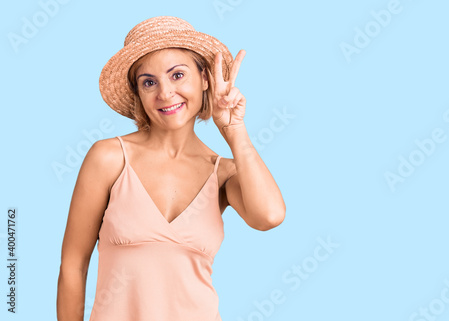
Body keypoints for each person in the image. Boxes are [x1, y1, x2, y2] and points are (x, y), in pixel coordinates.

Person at [56, 16, 286, 320]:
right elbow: (73, 265)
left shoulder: (224, 173)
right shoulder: (109, 157)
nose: (164, 93)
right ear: (138, 92)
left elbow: (269, 216)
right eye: (149, 82)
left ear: (204, 79)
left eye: (177, 75)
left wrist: (234, 131)